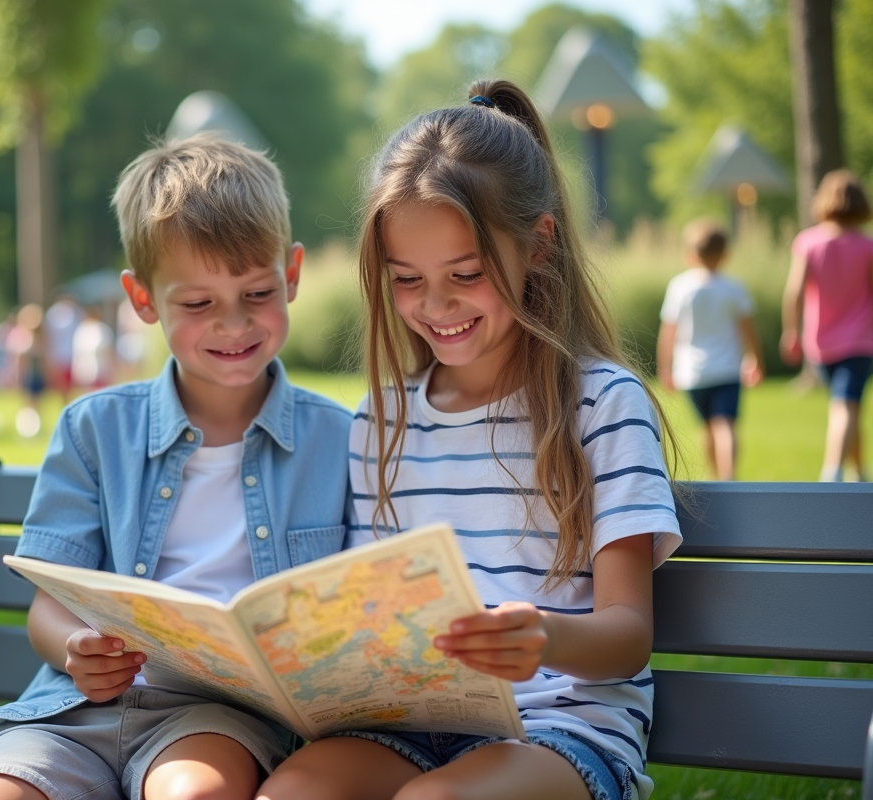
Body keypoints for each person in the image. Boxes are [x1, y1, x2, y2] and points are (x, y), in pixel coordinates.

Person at [257, 81, 683, 800]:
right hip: (410, 724)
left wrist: (543, 636)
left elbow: (627, 634)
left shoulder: (602, 404)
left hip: (562, 728)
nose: (436, 304)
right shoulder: (381, 420)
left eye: (466, 274)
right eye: (407, 279)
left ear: (537, 245)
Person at [0, 134, 352, 800]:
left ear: (292, 273)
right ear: (142, 298)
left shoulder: (340, 440)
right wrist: (76, 647)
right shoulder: (94, 429)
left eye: (257, 292)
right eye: (197, 304)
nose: (233, 324)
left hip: (215, 720)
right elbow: (48, 607)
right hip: (70, 710)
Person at [782, 169, 873, 482]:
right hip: (860, 340)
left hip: (820, 342)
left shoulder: (808, 242)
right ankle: (832, 472)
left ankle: (858, 472)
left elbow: (794, 292)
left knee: (846, 403)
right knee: (846, 405)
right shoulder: (867, 246)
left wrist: (791, 332)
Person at [657, 219, 763, 480]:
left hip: (692, 372)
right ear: (725, 254)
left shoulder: (680, 287)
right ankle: (729, 477)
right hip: (727, 369)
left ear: (690, 254)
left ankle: (717, 477)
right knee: (725, 424)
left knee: (706, 426)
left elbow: (668, 333)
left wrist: (664, 368)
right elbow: (748, 330)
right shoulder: (734, 288)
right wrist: (756, 360)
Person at [6, 303, 48, 437]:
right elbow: (19, 359)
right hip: (27, 373)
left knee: (36, 401)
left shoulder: (40, 337)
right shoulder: (21, 335)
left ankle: (35, 425)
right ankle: (27, 426)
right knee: (27, 400)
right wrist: (17, 374)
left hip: (37, 373)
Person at [44, 292, 83, 404]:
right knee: (64, 385)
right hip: (64, 354)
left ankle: (67, 403)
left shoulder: (73, 313)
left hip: (67, 354)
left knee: (69, 385)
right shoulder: (71, 313)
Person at [71, 304, 115, 390]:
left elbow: (108, 351)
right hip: (85, 366)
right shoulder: (82, 329)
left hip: (101, 367)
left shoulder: (102, 329)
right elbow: (77, 352)